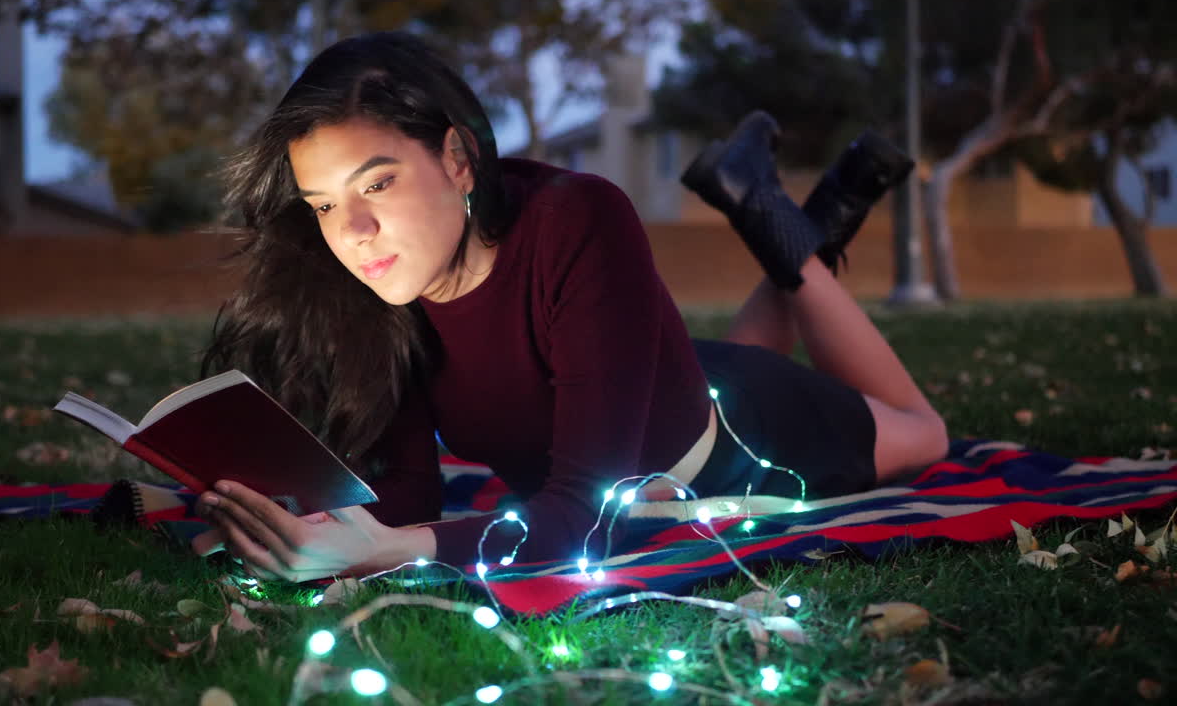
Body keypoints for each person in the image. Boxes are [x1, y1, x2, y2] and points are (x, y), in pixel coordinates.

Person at [190, 31, 949, 583]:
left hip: (744, 441)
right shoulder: (384, 284)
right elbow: (411, 495)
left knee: (925, 434)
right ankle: (789, 218)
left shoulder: (577, 217)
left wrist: (384, 551)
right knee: (708, 366)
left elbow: (583, 517)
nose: (351, 232)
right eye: (324, 204)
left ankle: (785, 222)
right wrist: (295, 525)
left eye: (378, 183)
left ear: (458, 159)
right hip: (652, 386)